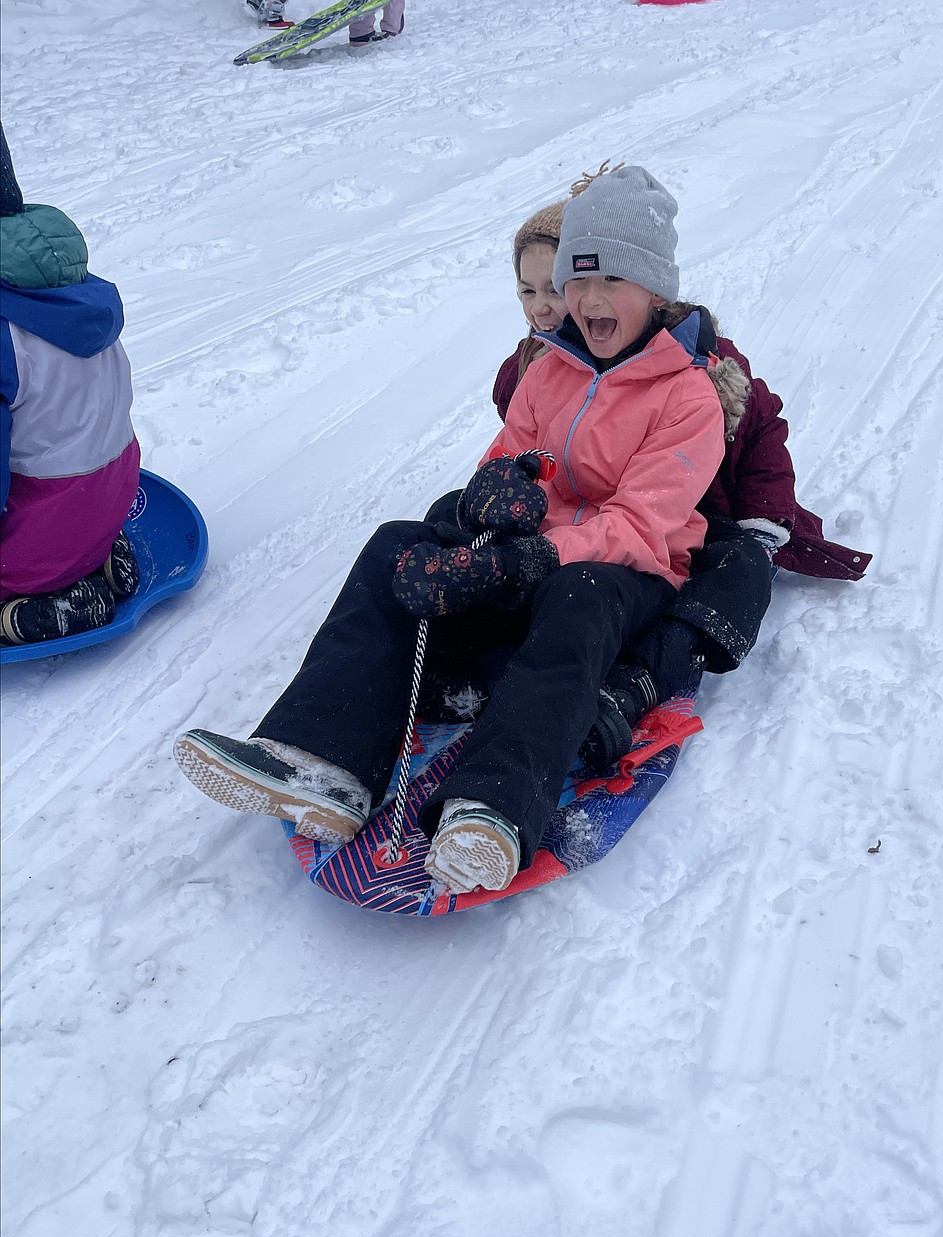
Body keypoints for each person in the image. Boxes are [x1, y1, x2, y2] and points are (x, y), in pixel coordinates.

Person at [174, 167, 731, 897]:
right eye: (576, 281)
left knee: (581, 591)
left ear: (657, 290)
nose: (589, 301)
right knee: (395, 544)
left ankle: (492, 807)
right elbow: (509, 457)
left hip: (623, 581)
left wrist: (531, 558)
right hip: (533, 562)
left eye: (613, 280)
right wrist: (489, 503)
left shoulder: (688, 396)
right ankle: (325, 764)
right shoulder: (551, 368)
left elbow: (637, 527)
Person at [485, 177, 870, 769]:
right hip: (600, 520)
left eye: (562, 289)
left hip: (697, 510)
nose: (549, 306)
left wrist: (764, 519)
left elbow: (764, 429)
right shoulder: (538, 364)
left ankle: (647, 676)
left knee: (737, 568)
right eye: (530, 290)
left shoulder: (701, 364)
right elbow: (519, 445)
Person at [0, 126, 141, 646]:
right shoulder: (75, 295)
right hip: (111, 491)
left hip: (38, 531)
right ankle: (96, 554)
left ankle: (36, 606)